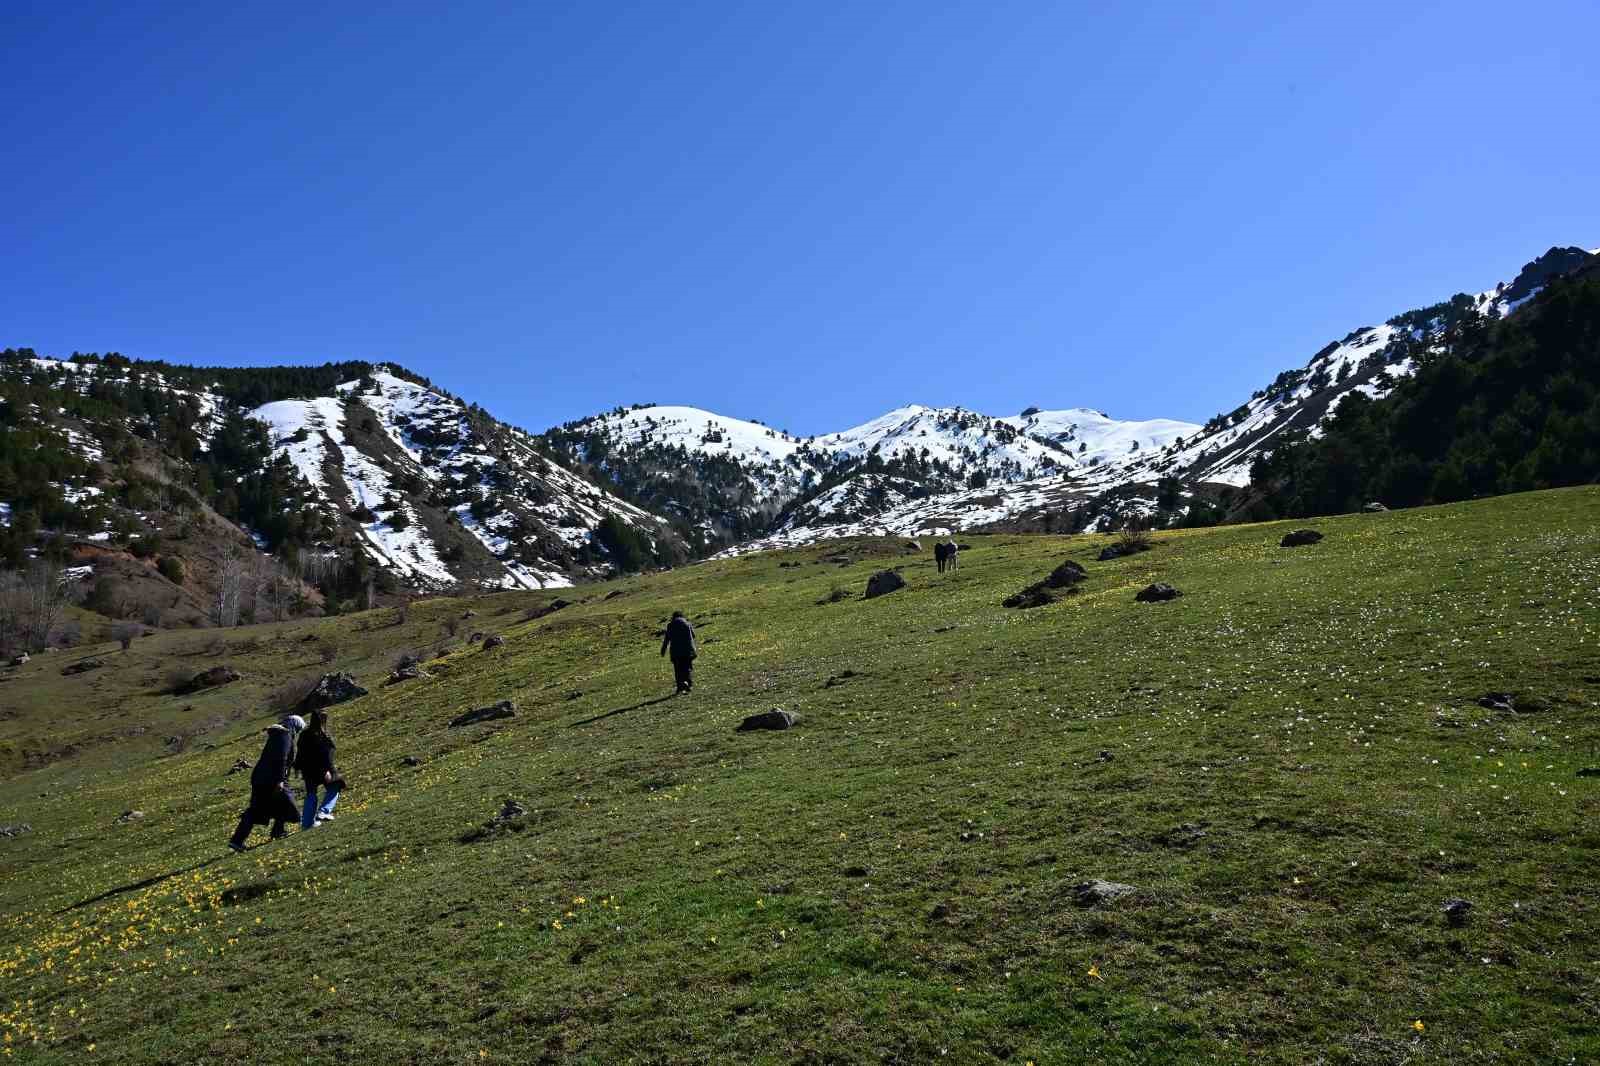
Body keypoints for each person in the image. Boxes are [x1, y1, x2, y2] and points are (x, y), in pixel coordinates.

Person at [228, 714, 305, 853]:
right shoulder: (285, 736)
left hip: (260, 778)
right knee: (288, 804)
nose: (297, 733)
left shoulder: (276, 736)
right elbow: (281, 759)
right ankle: (277, 831)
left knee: (258, 809)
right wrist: (280, 780)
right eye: (298, 729)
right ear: (294, 726)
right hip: (272, 779)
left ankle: (237, 840)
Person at [293, 709, 343, 829]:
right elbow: (327, 755)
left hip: (307, 770)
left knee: (311, 794)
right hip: (322, 769)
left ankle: (307, 823)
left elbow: (300, 753)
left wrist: (297, 767)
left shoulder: (304, 734)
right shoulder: (322, 735)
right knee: (335, 786)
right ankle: (324, 811)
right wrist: (328, 770)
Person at [660, 609, 698, 694]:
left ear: (673, 617)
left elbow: (667, 639)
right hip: (688, 650)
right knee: (687, 667)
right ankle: (688, 684)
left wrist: (663, 650)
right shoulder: (687, 623)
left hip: (676, 652)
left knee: (678, 669)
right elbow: (694, 636)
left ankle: (679, 687)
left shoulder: (670, 625)